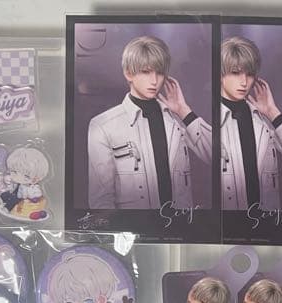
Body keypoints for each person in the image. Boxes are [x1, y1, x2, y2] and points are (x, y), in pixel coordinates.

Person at [87, 35, 211, 210]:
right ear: (129, 73)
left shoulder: (176, 118)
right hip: (136, 226)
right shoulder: (103, 125)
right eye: (146, 72)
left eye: (159, 73)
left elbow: (219, 156)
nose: (154, 81)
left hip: (181, 223)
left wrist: (184, 111)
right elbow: (101, 200)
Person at [219, 36, 282, 211]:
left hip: (266, 220)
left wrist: (273, 112)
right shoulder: (209, 120)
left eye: (249, 74)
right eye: (235, 73)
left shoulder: (262, 119)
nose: (244, 82)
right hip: (227, 222)